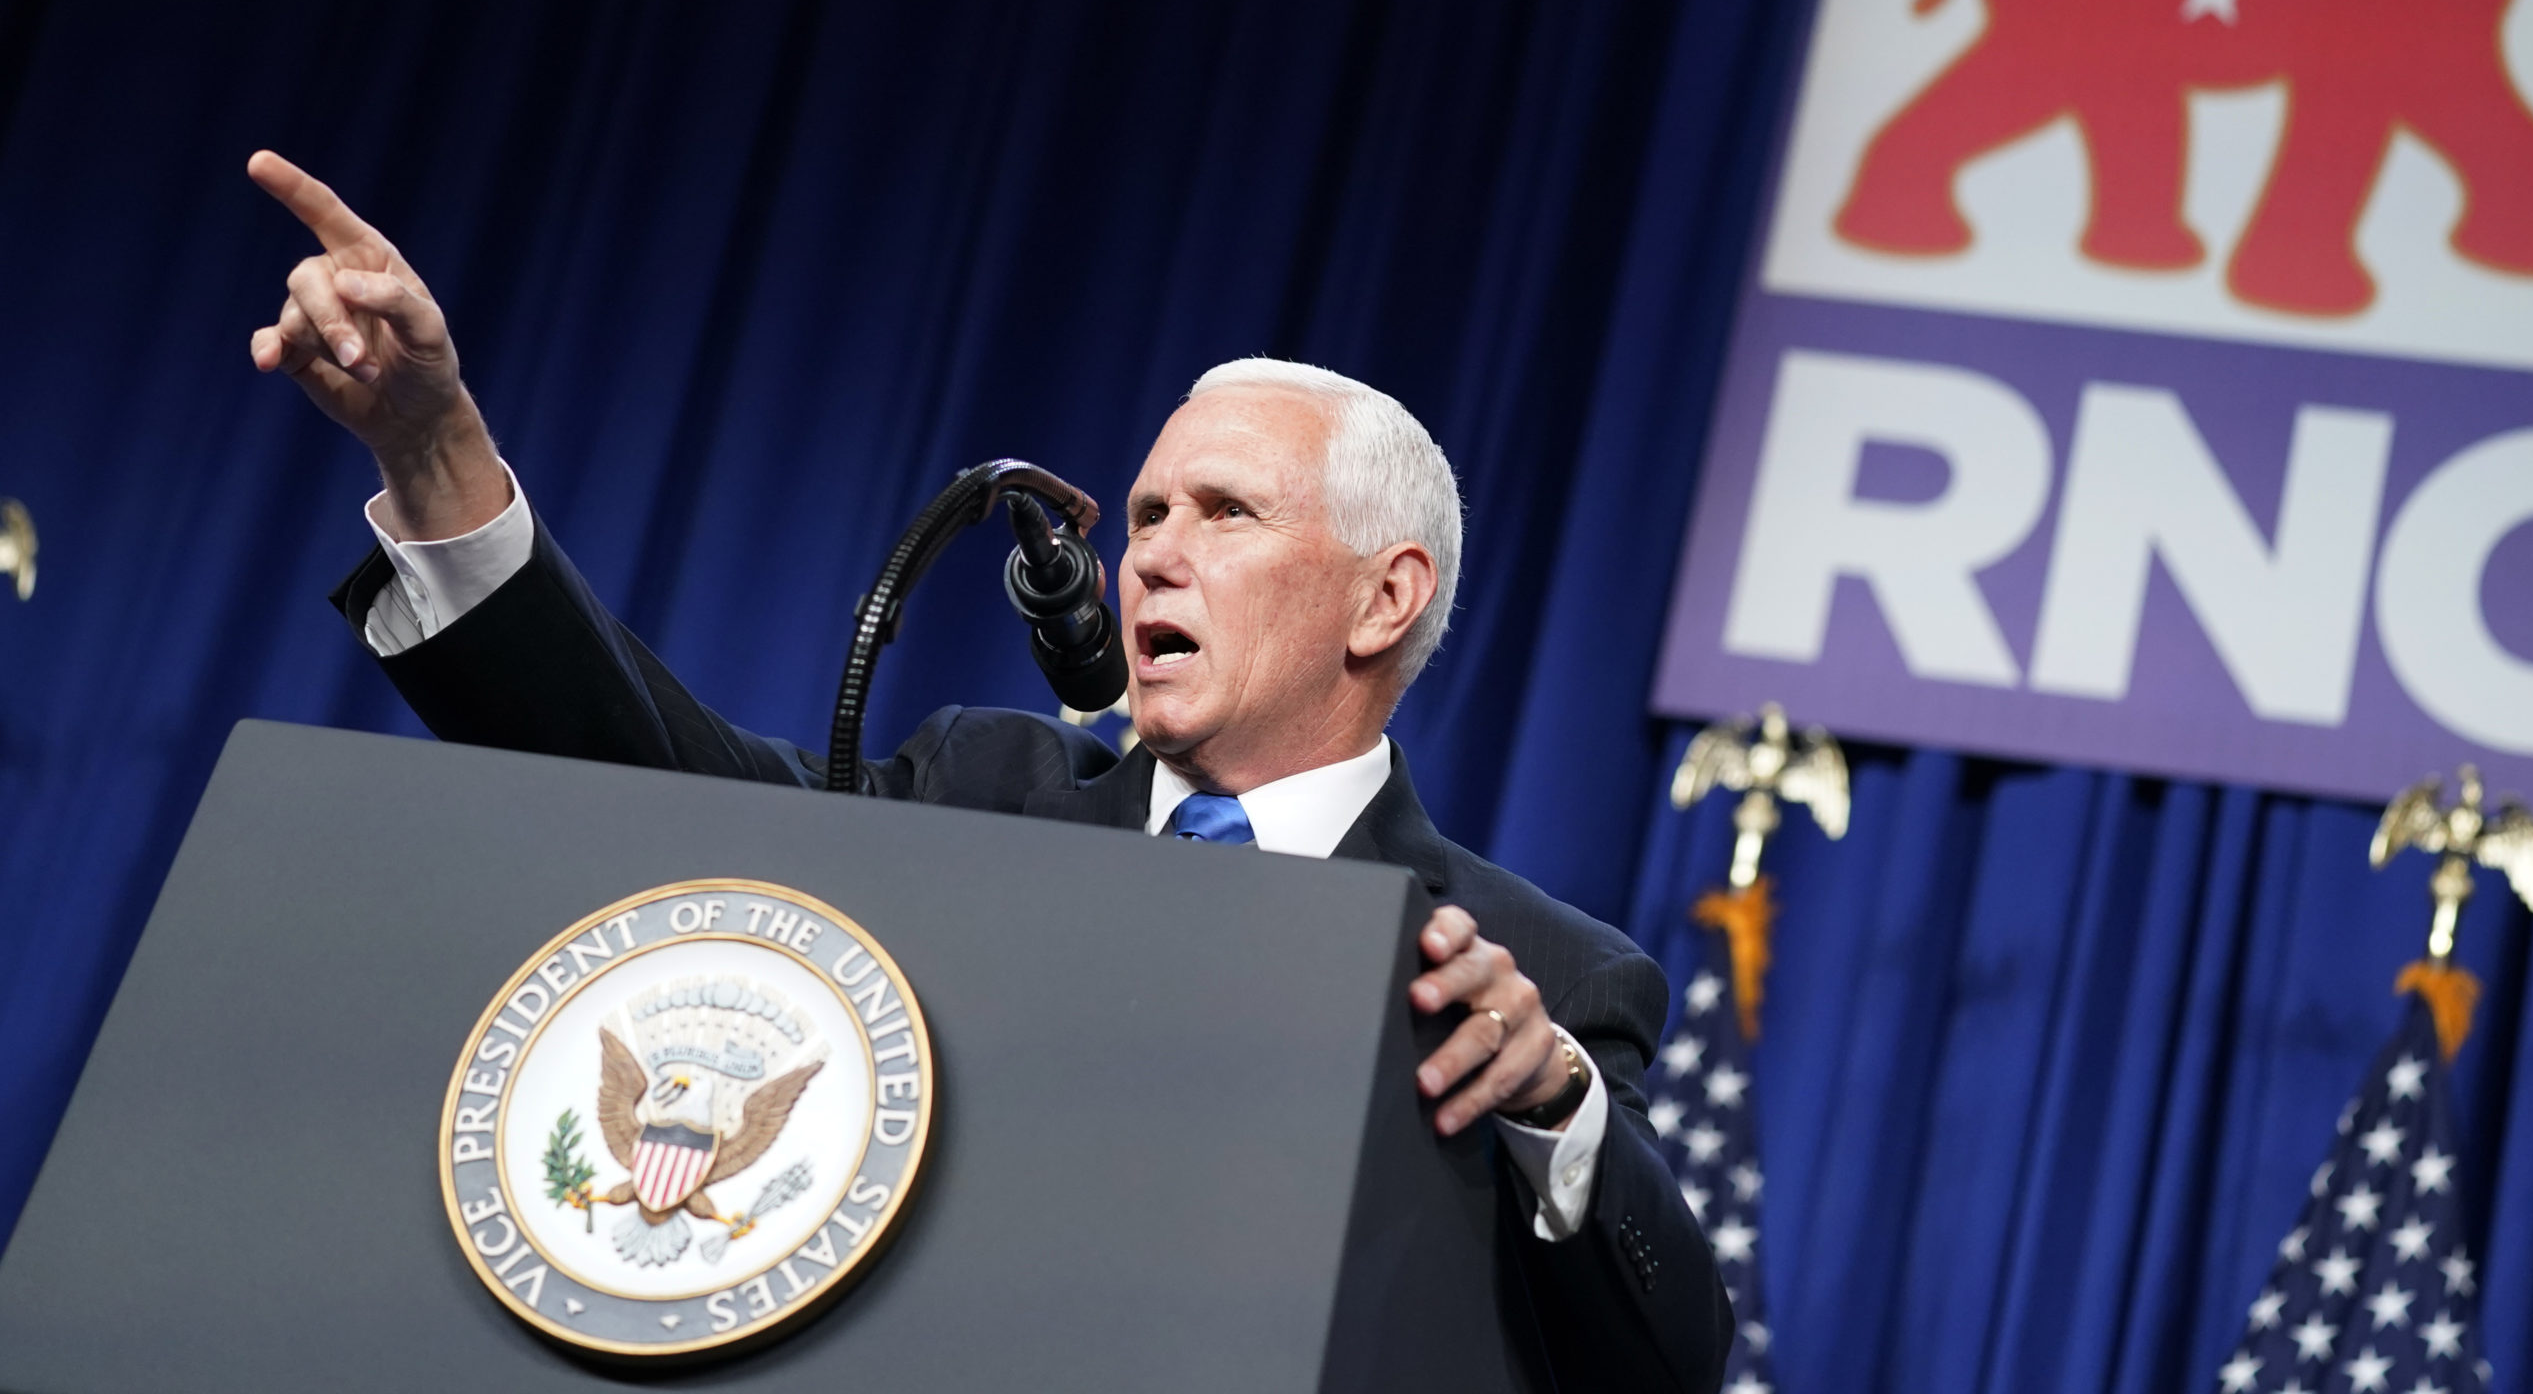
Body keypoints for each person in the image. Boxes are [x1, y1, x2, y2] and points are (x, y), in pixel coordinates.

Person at [243, 150, 1730, 1392]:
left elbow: (1670, 1363)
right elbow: (663, 791)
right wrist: (438, 453)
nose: (1151, 550)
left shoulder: (1539, 982)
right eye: (1145, 511)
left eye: (1223, 512)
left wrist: (1557, 1109)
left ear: (1383, 598)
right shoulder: (982, 795)